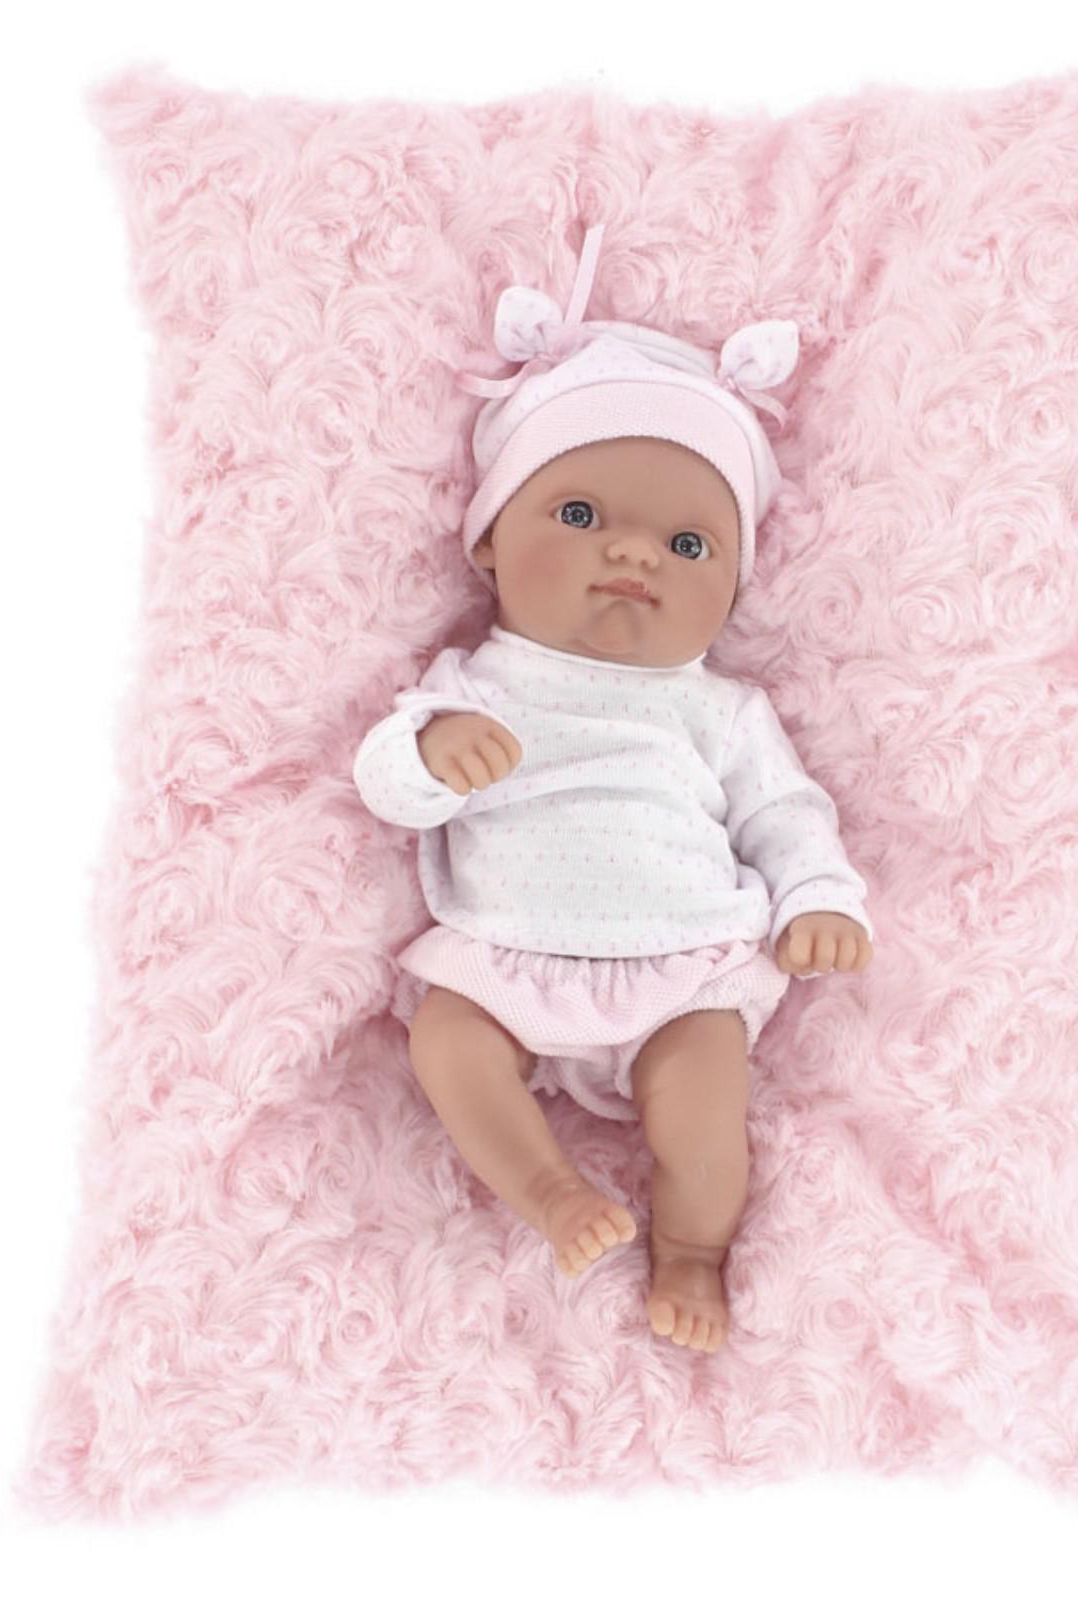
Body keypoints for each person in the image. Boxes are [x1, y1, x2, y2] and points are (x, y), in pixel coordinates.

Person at [354, 223, 874, 1354]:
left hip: (683, 965)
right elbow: (385, 780)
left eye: (689, 545)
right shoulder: (472, 682)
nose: (636, 553)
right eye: (581, 516)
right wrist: (431, 758)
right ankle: (549, 1190)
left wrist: (818, 897)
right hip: (503, 960)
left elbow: (785, 814)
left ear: (733, 589)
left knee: (704, 1102)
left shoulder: (714, 708)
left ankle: (691, 1249)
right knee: (447, 1042)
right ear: (490, 544)